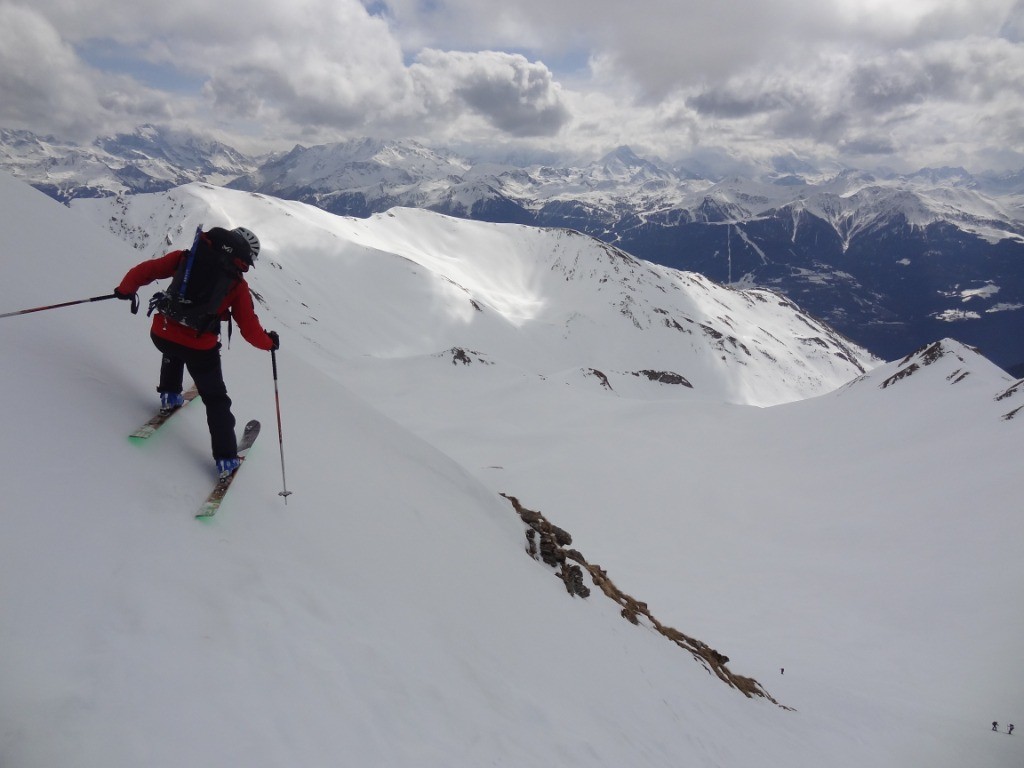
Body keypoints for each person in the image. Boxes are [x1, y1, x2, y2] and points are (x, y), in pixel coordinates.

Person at [115, 226, 279, 477]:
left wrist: (125, 289)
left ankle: (170, 395)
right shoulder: (236, 283)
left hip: (162, 333)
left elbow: (147, 270)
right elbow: (249, 329)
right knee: (215, 399)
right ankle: (226, 459)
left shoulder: (187, 257)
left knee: (173, 349)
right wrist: (269, 343)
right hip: (199, 348)